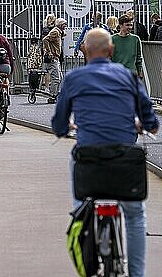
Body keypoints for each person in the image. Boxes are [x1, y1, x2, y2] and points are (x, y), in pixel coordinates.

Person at [51, 28, 159, 277]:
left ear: (85, 51)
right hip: (124, 161)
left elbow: (58, 123)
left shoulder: (73, 79)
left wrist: (65, 128)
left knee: (82, 207)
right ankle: (137, 274)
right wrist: (144, 124)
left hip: (88, 159)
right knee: (134, 216)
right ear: (111, 51)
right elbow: (149, 118)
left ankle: (82, 218)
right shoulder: (129, 77)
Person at [42, 17, 67, 103]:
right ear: (60, 25)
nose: (65, 26)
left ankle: (56, 95)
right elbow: (45, 39)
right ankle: (52, 96)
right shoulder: (55, 32)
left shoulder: (58, 32)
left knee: (59, 77)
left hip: (56, 58)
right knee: (56, 78)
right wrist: (49, 52)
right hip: (53, 59)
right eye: (64, 24)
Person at [111, 14, 143, 78]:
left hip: (131, 74)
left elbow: (139, 58)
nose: (130, 27)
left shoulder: (136, 39)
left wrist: (140, 72)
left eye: (131, 25)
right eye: (127, 25)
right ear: (120, 25)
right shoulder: (112, 39)